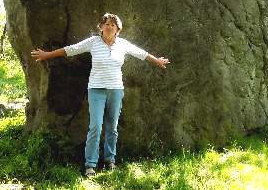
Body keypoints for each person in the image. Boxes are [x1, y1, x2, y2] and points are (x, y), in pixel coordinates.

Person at [31, 13, 170, 177]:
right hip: (96, 89)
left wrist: (157, 61)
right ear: (101, 28)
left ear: (118, 29)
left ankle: (110, 161)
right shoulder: (93, 42)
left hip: (116, 89)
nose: (109, 27)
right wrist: (47, 55)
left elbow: (141, 53)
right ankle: (90, 165)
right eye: (106, 24)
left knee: (113, 127)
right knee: (95, 127)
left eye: (113, 24)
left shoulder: (122, 44)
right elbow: (71, 49)